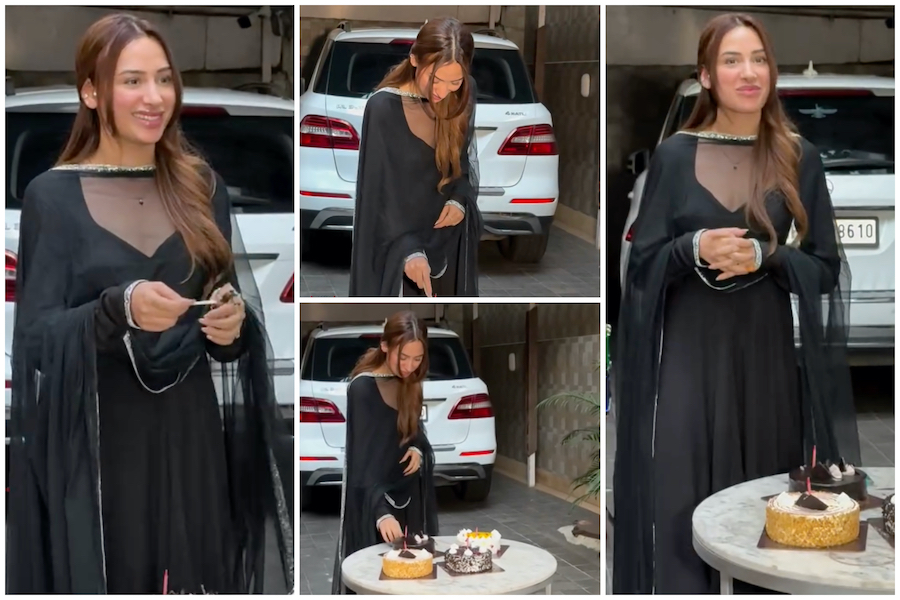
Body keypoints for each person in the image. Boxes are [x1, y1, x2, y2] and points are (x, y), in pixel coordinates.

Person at [7, 14, 292, 594]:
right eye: (132, 80)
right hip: (99, 442)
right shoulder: (51, 198)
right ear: (92, 92)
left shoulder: (202, 188)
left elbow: (221, 311)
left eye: (164, 79)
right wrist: (119, 309)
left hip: (189, 435)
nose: (155, 96)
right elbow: (35, 341)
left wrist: (231, 324)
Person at [613, 13, 860, 594]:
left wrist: (767, 256)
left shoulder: (800, 156)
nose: (748, 73)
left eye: (758, 59)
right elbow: (642, 265)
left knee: (761, 504)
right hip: (689, 360)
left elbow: (825, 268)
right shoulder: (674, 157)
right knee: (683, 499)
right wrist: (692, 247)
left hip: (764, 360)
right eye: (731, 61)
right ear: (706, 75)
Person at [348, 17, 483, 297]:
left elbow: (461, 166)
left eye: (455, 81)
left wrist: (459, 200)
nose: (443, 91)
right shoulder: (384, 108)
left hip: (447, 240)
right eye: (435, 79)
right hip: (399, 251)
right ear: (414, 59)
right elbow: (379, 196)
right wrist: (408, 251)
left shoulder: (463, 96)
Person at [331, 311, 440, 594]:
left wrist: (417, 448)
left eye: (417, 359)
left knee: (413, 579)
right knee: (377, 582)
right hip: (375, 502)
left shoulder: (411, 381)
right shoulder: (363, 388)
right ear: (384, 346)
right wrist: (381, 513)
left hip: (409, 497)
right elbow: (361, 461)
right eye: (403, 357)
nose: (409, 366)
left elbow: (415, 432)